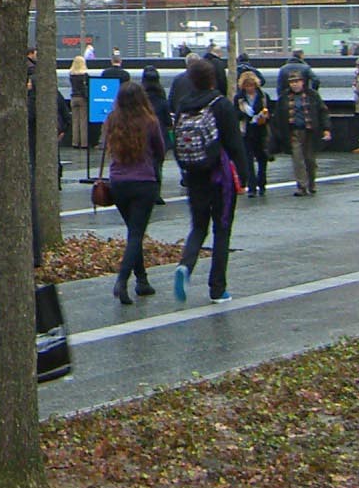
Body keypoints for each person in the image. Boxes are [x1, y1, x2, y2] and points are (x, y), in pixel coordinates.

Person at [170, 53, 253, 303]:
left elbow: (176, 142)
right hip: (220, 177)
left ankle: (185, 265)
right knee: (222, 229)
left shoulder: (184, 104)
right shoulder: (220, 104)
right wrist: (245, 176)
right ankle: (217, 288)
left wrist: (185, 170)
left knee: (198, 226)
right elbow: (235, 144)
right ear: (214, 78)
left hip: (194, 174)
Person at [103, 80, 166, 304]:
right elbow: (161, 149)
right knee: (136, 234)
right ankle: (122, 279)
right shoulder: (149, 121)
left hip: (118, 183)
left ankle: (142, 281)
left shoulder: (112, 120)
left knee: (133, 232)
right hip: (144, 182)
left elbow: (106, 145)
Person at [275, 63, 330, 195]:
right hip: (293, 131)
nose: (294, 84)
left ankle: (311, 183)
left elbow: (323, 112)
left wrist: (326, 129)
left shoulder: (312, 95)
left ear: (303, 82)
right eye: (292, 82)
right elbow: (278, 117)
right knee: (297, 160)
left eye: (297, 82)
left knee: (310, 160)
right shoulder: (284, 98)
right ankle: (301, 186)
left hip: (310, 131)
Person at [234, 69, 272, 198]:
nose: (249, 88)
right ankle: (252, 187)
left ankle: (261, 183)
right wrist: (243, 114)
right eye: (247, 86)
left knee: (262, 157)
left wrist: (264, 116)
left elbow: (269, 111)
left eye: (251, 85)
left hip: (260, 131)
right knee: (248, 160)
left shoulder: (263, 97)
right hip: (246, 131)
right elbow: (235, 114)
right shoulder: (239, 98)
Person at [67, 55, 90, 148]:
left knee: (75, 121)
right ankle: (84, 143)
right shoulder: (85, 75)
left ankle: (75, 143)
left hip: (73, 98)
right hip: (82, 99)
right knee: (83, 121)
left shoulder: (71, 75)